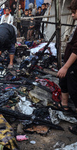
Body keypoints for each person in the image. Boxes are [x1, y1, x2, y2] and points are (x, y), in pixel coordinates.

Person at [57, 0, 77, 135]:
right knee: (63, 81)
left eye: (74, 12)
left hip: (74, 64)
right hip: (70, 63)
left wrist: (66, 67)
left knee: (75, 91)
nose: (73, 15)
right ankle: (65, 106)